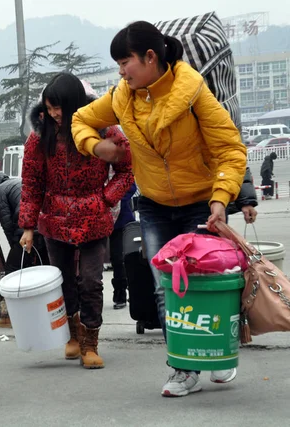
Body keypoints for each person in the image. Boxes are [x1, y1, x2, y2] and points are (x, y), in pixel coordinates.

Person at [72, 21, 247, 396]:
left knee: (207, 287)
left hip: (201, 205)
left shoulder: (193, 92)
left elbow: (230, 150)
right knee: (165, 290)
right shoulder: (122, 97)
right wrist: (95, 146)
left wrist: (220, 198)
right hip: (152, 206)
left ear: (150, 57)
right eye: (118, 64)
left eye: (125, 61)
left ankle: (216, 355)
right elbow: (81, 119)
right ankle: (183, 368)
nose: (121, 71)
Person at [19, 73, 134, 369]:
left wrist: (106, 199)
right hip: (54, 219)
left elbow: (128, 168)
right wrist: (28, 226)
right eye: (50, 108)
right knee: (64, 281)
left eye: (60, 108)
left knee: (92, 282)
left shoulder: (103, 129)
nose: (55, 115)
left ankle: (91, 342)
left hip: (93, 216)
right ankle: (72, 335)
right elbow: (31, 182)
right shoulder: (39, 136)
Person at [0, 172, 47, 327]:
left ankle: (9, 316)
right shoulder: (18, 182)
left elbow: (7, 224)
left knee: (12, 272)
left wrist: (15, 248)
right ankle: (47, 311)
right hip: (46, 227)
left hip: (26, 230)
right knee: (44, 269)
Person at [110, 182, 137, 309]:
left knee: (119, 258)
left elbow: (131, 186)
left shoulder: (119, 164)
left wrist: (114, 200)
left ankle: (121, 292)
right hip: (95, 216)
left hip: (121, 218)